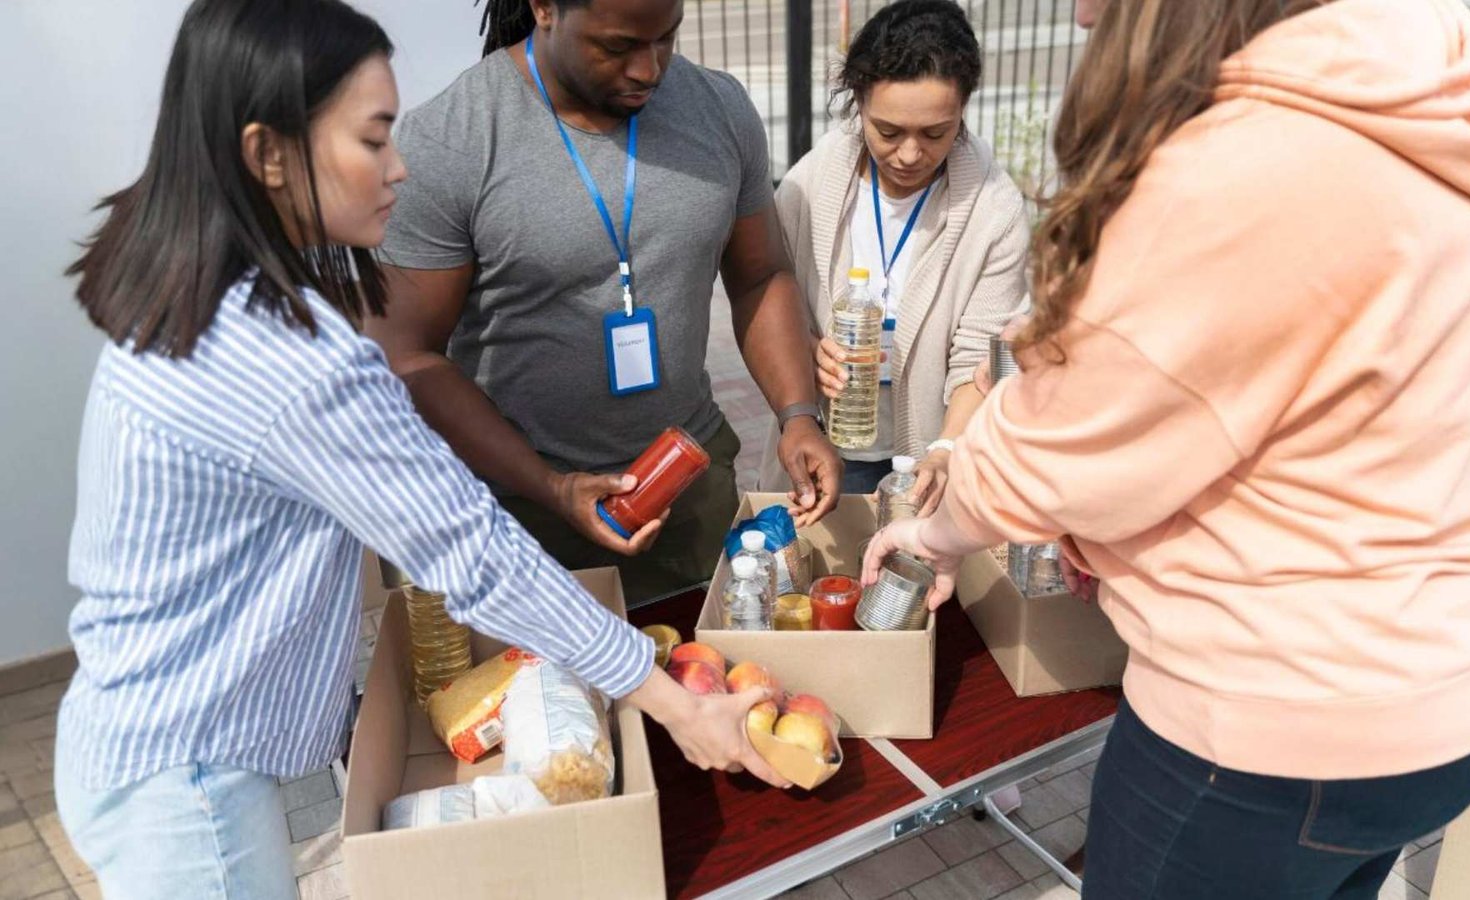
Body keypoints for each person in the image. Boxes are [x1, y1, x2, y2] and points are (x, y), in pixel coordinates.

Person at [54, 2, 784, 896]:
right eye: (373, 141)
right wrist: (674, 705)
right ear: (267, 154)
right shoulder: (291, 360)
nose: (401, 169)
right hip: (188, 779)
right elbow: (468, 549)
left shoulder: (206, 295)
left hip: (142, 740)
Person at [865, 0, 1470, 896]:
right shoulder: (1437, 112)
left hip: (1271, 729)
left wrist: (939, 531)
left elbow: (1071, 440)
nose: (1079, 13)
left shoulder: (1249, 165)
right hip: (1450, 692)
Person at [365, 0, 841, 604]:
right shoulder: (453, 138)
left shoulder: (718, 109)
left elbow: (760, 276)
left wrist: (797, 415)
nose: (649, 70)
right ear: (543, 9)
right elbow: (409, 355)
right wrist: (552, 487)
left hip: (684, 494)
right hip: (517, 514)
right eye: (617, 47)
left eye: (666, 38)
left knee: (699, 674)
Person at [757, 0, 1029, 508]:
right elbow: (773, 300)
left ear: (963, 108)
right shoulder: (808, 189)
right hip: (830, 445)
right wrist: (808, 348)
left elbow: (981, 356)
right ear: (858, 101)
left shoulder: (994, 209)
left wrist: (946, 450)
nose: (909, 154)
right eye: (888, 131)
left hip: (930, 453)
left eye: (934, 133)